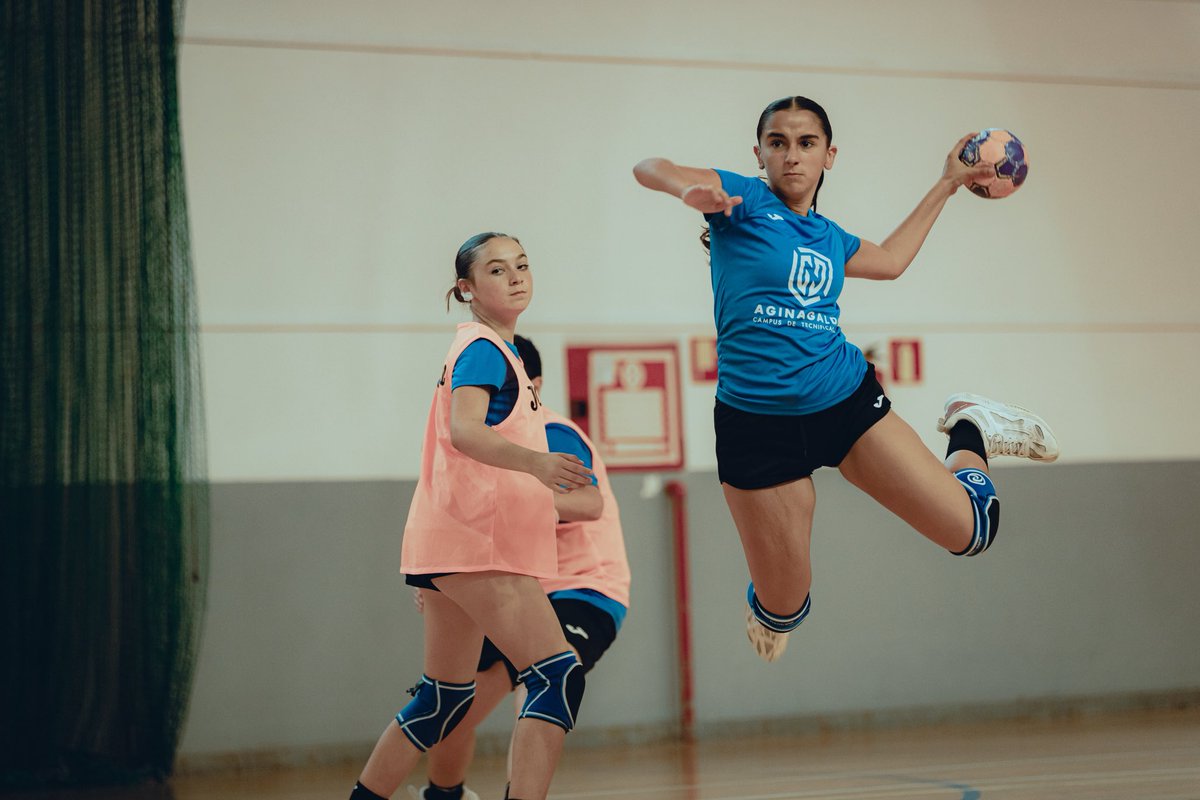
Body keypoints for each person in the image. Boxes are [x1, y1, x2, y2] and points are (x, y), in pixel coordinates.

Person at [632, 96, 1059, 663]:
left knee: (973, 530)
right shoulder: (742, 199)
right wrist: (687, 190)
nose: (791, 156)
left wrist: (948, 183)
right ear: (758, 153)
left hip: (844, 404)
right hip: (757, 429)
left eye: (806, 143)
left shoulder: (831, 237)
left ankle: (972, 429)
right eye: (777, 143)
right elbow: (649, 166)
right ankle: (773, 606)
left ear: (829, 155)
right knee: (785, 604)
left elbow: (891, 260)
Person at [350, 233, 593, 800]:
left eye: (523, 265)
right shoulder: (483, 346)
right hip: (479, 544)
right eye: (497, 269)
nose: (515, 276)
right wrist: (539, 464)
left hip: (448, 542)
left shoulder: (489, 349)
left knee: (443, 696)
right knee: (556, 674)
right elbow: (465, 430)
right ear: (467, 289)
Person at [409, 335, 631, 800]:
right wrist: (444, 582)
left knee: (540, 684)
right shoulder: (480, 448)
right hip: (516, 586)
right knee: (453, 705)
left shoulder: (555, 434)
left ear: (535, 387)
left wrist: (523, 505)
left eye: (503, 386)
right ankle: (444, 794)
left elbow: (588, 504)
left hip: (583, 589)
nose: (491, 397)